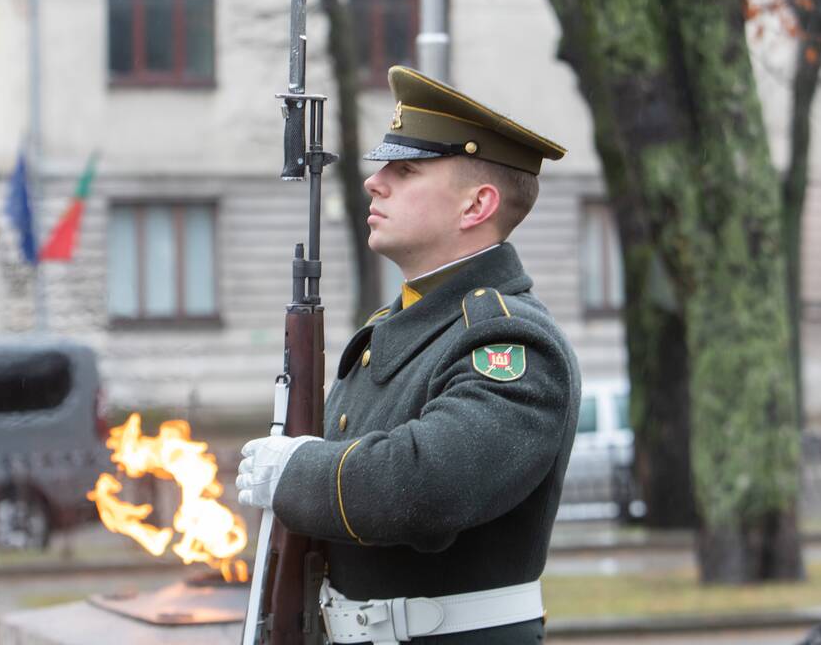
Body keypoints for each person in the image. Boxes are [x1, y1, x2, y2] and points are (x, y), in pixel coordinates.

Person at [237, 66, 582, 644]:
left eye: (406, 170)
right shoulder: (397, 330)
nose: (375, 183)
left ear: (476, 205)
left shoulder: (509, 341)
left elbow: (427, 485)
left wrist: (297, 472)